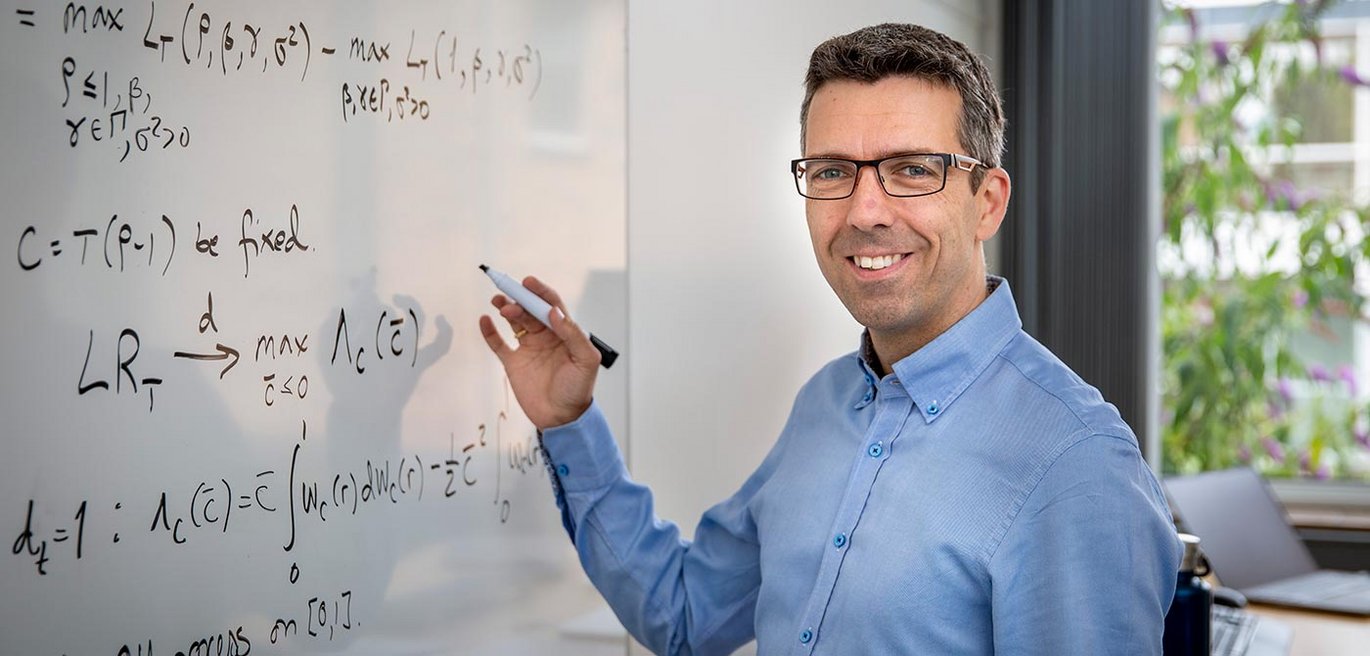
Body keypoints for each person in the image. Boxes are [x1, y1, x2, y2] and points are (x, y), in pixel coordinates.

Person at [479, 22, 1181, 655]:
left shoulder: (1077, 467)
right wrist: (569, 421)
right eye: (832, 173)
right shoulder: (826, 405)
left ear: (987, 202)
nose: (865, 211)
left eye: (912, 169)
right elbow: (686, 615)